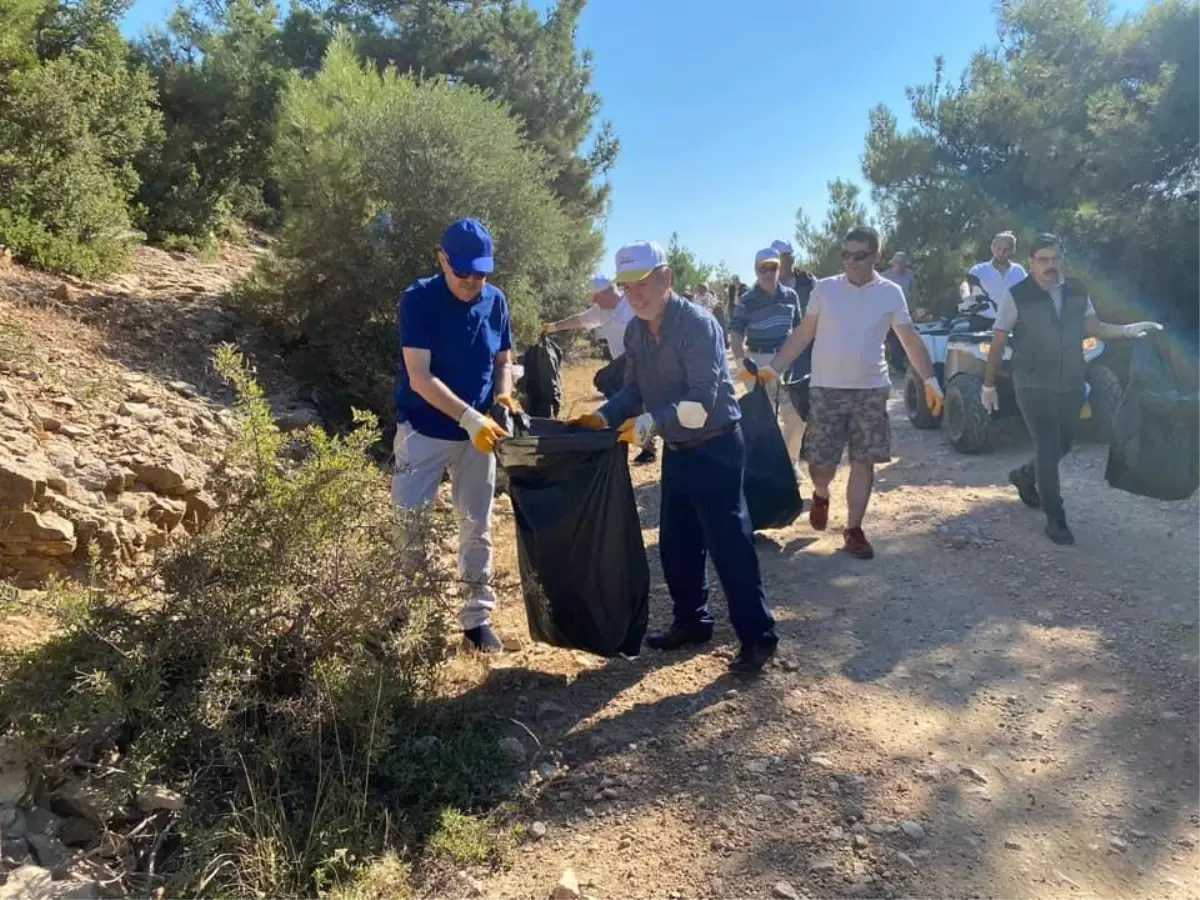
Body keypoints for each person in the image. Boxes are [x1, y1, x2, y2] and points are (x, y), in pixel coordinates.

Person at [570, 240, 778, 674]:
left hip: (717, 445)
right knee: (677, 543)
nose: (634, 295)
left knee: (730, 545)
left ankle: (758, 637)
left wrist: (649, 424)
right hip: (679, 449)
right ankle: (692, 621)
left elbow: (701, 402)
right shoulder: (635, 332)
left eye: (641, 283)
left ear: (666, 278)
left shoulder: (698, 325)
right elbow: (633, 390)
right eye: (626, 287)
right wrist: (603, 416)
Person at [757, 226, 944, 560]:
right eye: (846, 255)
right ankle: (820, 494)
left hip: (871, 389)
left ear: (876, 256)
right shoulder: (825, 289)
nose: (851, 262)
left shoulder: (890, 293)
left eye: (859, 255)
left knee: (864, 460)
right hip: (826, 388)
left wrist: (930, 379)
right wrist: (774, 367)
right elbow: (804, 333)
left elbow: (909, 339)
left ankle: (854, 529)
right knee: (821, 464)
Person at [983, 233, 1162, 545]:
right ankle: (1055, 518)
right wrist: (988, 385)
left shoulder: (1077, 289)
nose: (1049, 266)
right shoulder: (1017, 295)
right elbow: (999, 341)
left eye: (1054, 259)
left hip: (1071, 381)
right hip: (1033, 381)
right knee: (1048, 446)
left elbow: (1093, 327)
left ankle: (1025, 475)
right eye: (1042, 260)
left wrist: (1126, 331)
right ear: (1031, 262)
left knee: (1063, 445)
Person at [392, 218, 514, 653]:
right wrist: (468, 417)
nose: (472, 282)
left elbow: (503, 359)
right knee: (411, 524)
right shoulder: (419, 300)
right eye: (463, 272)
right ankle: (413, 616)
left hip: (478, 436)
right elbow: (421, 378)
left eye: (481, 273)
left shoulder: (496, 300)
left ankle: (476, 617)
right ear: (442, 260)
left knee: (476, 525)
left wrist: (504, 396)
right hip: (423, 429)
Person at [542, 276, 658, 463]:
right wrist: (554, 327)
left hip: (640, 360)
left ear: (609, 291)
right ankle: (644, 441)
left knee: (605, 380)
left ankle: (635, 428)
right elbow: (579, 320)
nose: (594, 301)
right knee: (623, 397)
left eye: (596, 296)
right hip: (624, 367)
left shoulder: (631, 307)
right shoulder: (601, 311)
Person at [729, 247, 806, 464]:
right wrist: (741, 364)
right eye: (763, 268)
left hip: (785, 361)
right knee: (764, 418)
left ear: (778, 269)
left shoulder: (791, 296)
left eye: (772, 267)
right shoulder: (747, 300)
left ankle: (790, 463)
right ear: (755, 271)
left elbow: (799, 330)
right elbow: (735, 333)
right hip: (757, 360)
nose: (768, 273)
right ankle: (767, 465)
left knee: (796, 418)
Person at [963, 231, 1026, 321]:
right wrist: (966, 297)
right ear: (992, 248)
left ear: (1013, 250)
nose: (1001, 253)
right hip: (982, 321)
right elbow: (966, 285)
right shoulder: (978, 270)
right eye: (998, 248)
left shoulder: (1019, 271)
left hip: (1011, 322)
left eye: (1006, 249)